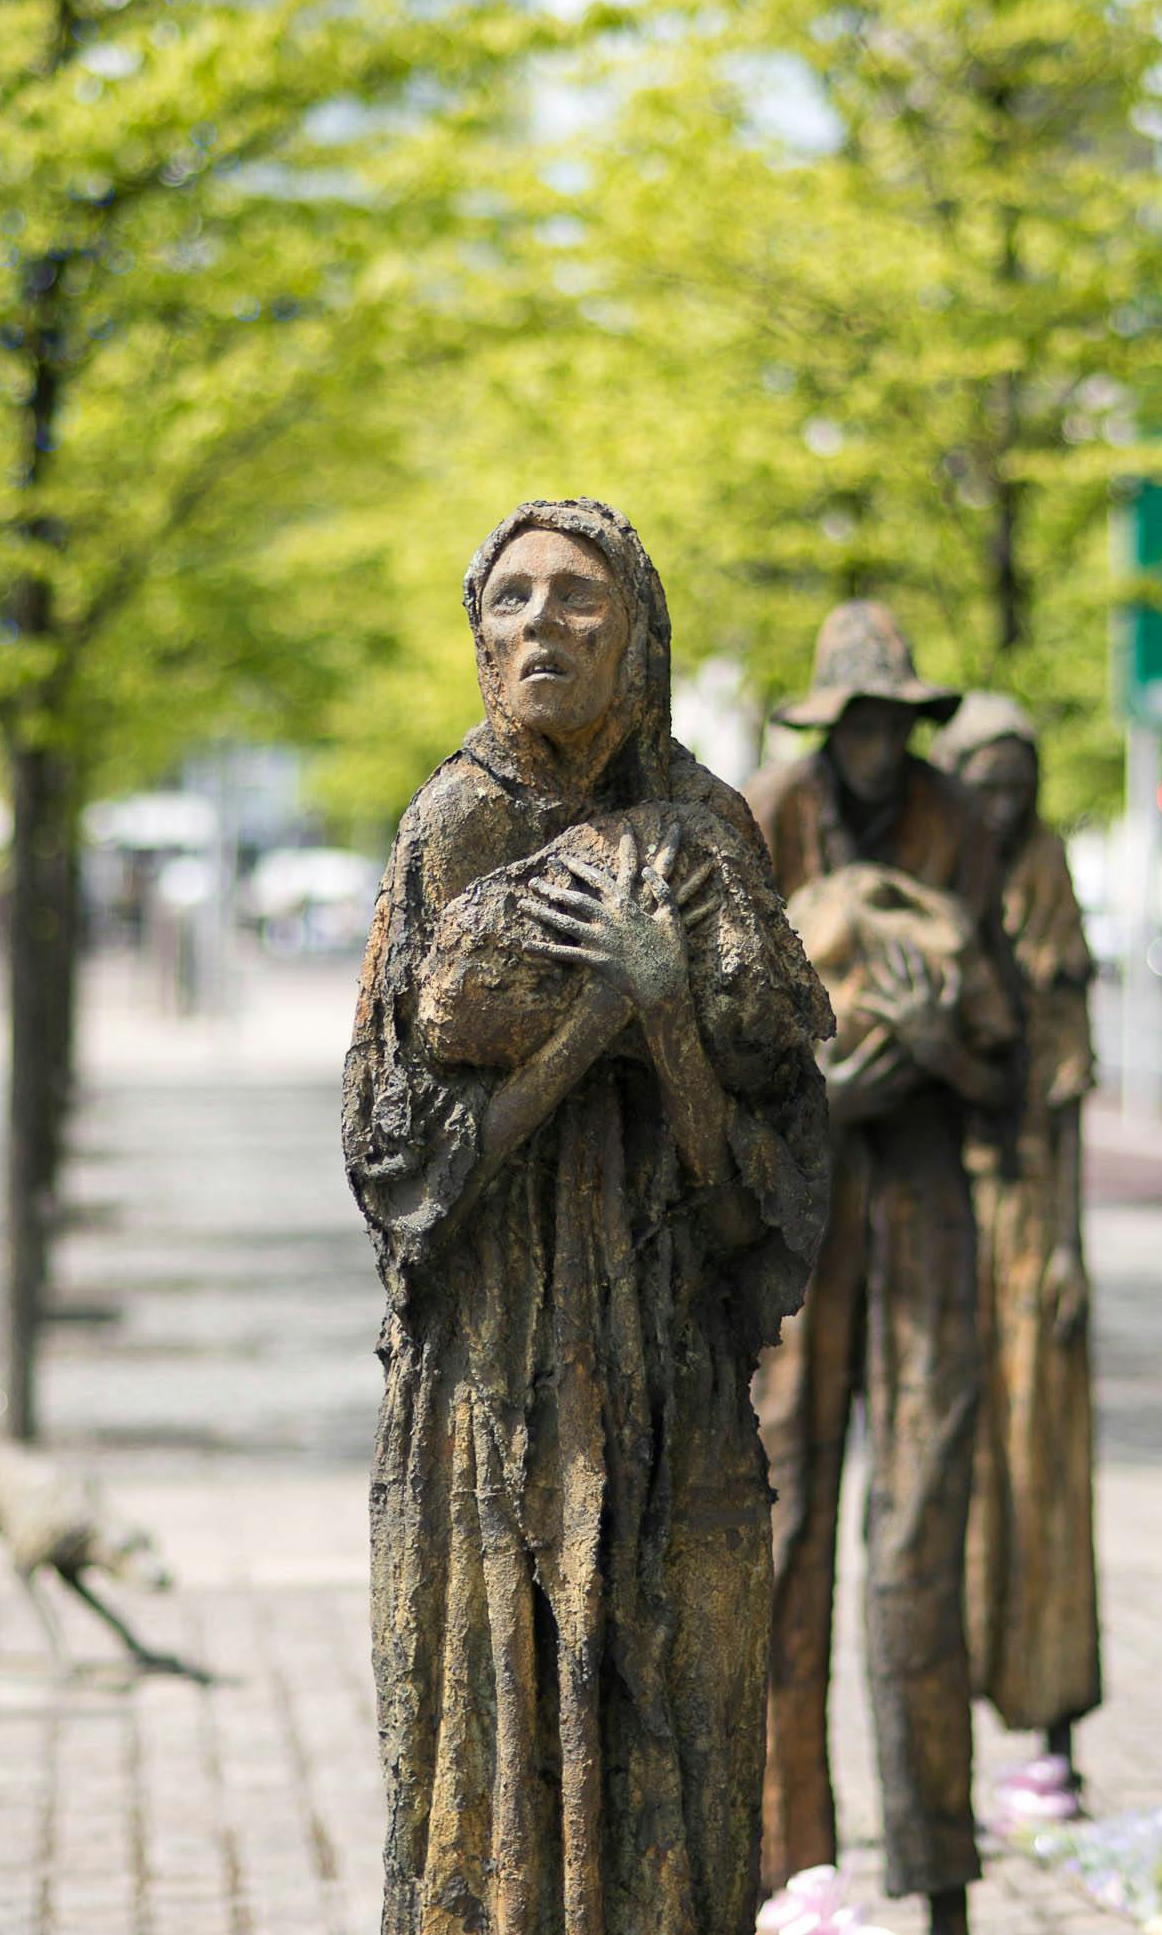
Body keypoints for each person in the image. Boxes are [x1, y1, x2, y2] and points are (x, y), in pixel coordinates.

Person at [345, 499, 833, 1935]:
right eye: (511, 599)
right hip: (494, 1380)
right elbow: (406, 1168)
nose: (541, 624)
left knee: (678, 1732)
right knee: (487, 1747)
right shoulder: (451, 826)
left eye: (579, 597)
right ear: (479, 634)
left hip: (668, 1363)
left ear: (639, 633)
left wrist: (669, 1014)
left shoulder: (707, 824)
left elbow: (762, 1174)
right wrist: (586, 1028)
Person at [748, 602, 1019, 1935]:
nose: (871, 742)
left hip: (924, 1218)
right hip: (803, 1226)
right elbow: (722, 1042)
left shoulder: (960, 824)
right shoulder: (766, 814)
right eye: (851, 718)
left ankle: (939, 1869)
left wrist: (939, 1046)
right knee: (783, 1519)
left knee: (918, 1532)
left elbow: (1007, 1061)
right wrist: (822, 1095)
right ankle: (786, 1859)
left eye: (890, 720)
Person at [932, 693, 1102, 1779]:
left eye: (1019, 784)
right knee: (943, 1468)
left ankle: (1051, 1735)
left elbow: (1067, 1087)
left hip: (1030, 1206)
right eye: (983, 783)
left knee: (1044, 1455)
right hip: (934, 1206)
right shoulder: (926, 872)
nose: (1003, 805)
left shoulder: (1045, 881)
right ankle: (942, 1741)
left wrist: (1073, 1242)